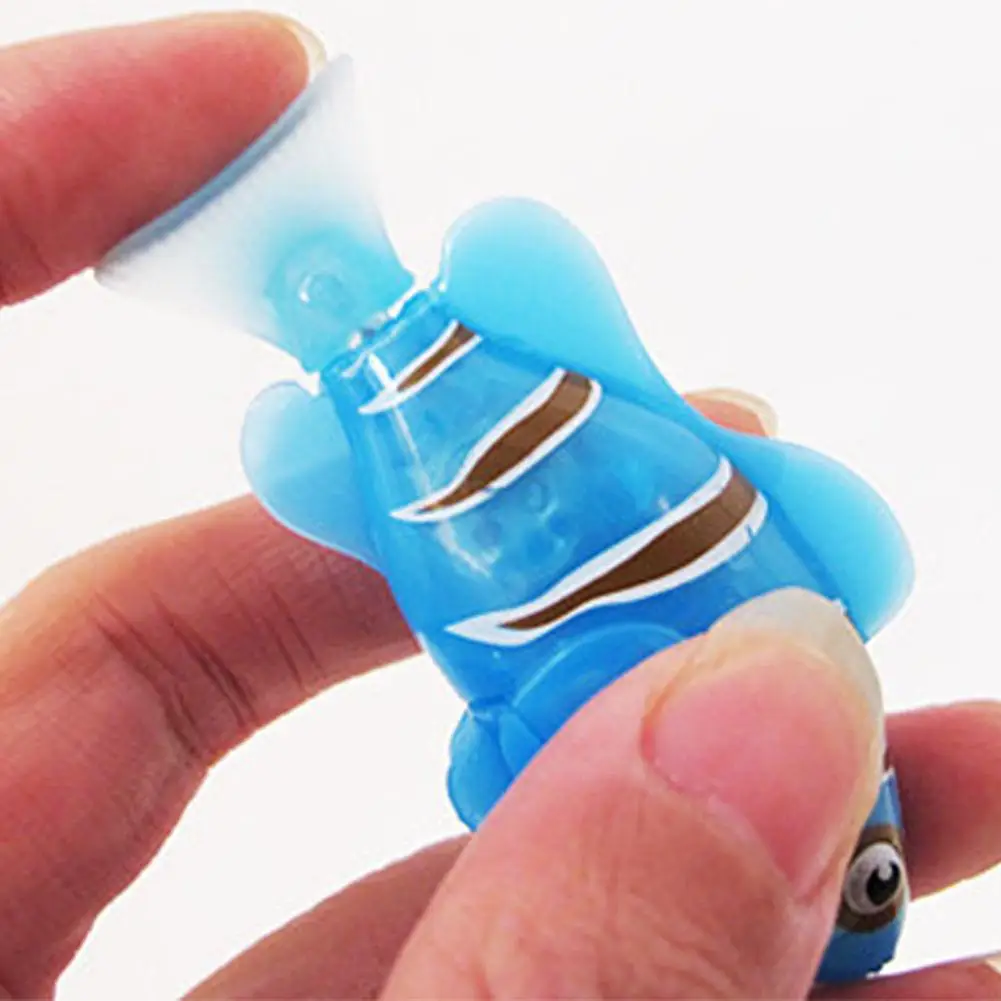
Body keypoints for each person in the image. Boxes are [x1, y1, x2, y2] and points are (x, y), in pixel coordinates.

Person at [0, 13, 999, 1000]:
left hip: (477, 543)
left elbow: (495, 765)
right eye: (868, 879)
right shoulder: (827, 623)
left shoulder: (828, 623)